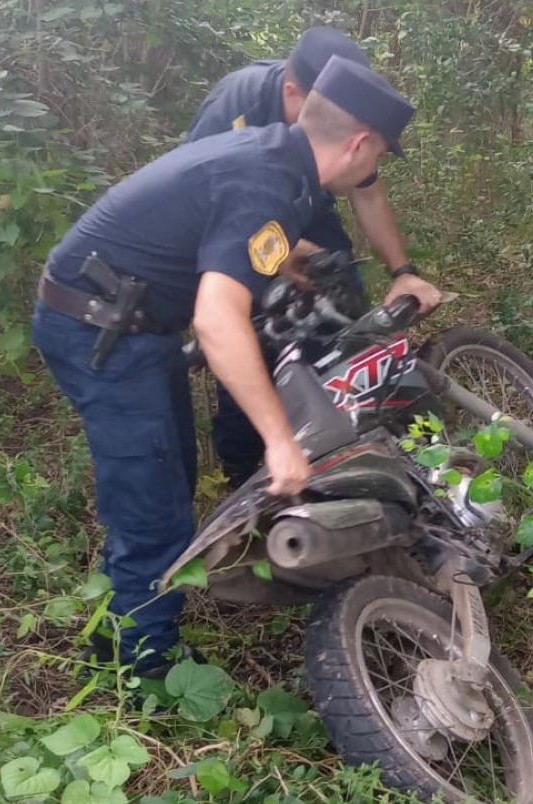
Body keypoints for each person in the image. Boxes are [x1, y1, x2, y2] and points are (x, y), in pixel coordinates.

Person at [32, 56, 421, 679]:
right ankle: (143, 667)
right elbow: (216, 321)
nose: (377, 167)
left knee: (170, 477)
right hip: (98, 329)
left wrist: (285, 260)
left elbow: (228, 228)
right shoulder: (270, 181)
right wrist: (279, 442)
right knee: (153, 503)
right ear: (358, 143)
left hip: (134, 321)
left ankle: (121, 626)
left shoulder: (281, 162)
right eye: (380, 153)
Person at [187, 26, 442, 486]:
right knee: (254, 342)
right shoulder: (235, 107)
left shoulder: (342, 128)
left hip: (309, 208)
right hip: (237, 224)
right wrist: (279, 250)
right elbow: (201, 209)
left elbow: (367, 190)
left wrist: (402, 272)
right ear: (294, 92)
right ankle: (250, 476)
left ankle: (369, 443)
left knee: (346, 315)